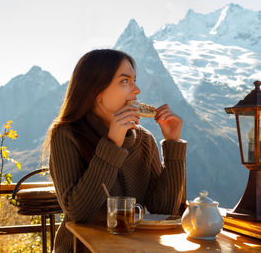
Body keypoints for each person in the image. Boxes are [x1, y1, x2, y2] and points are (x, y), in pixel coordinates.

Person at [43, 49, 187, 252]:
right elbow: (79, 213)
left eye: (134, 80)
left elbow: (162, 212)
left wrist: (173, 144)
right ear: (96, 92)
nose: (136, 90)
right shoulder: (66, 134)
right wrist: (113, 144)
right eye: (124, 81)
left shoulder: (144, 139)